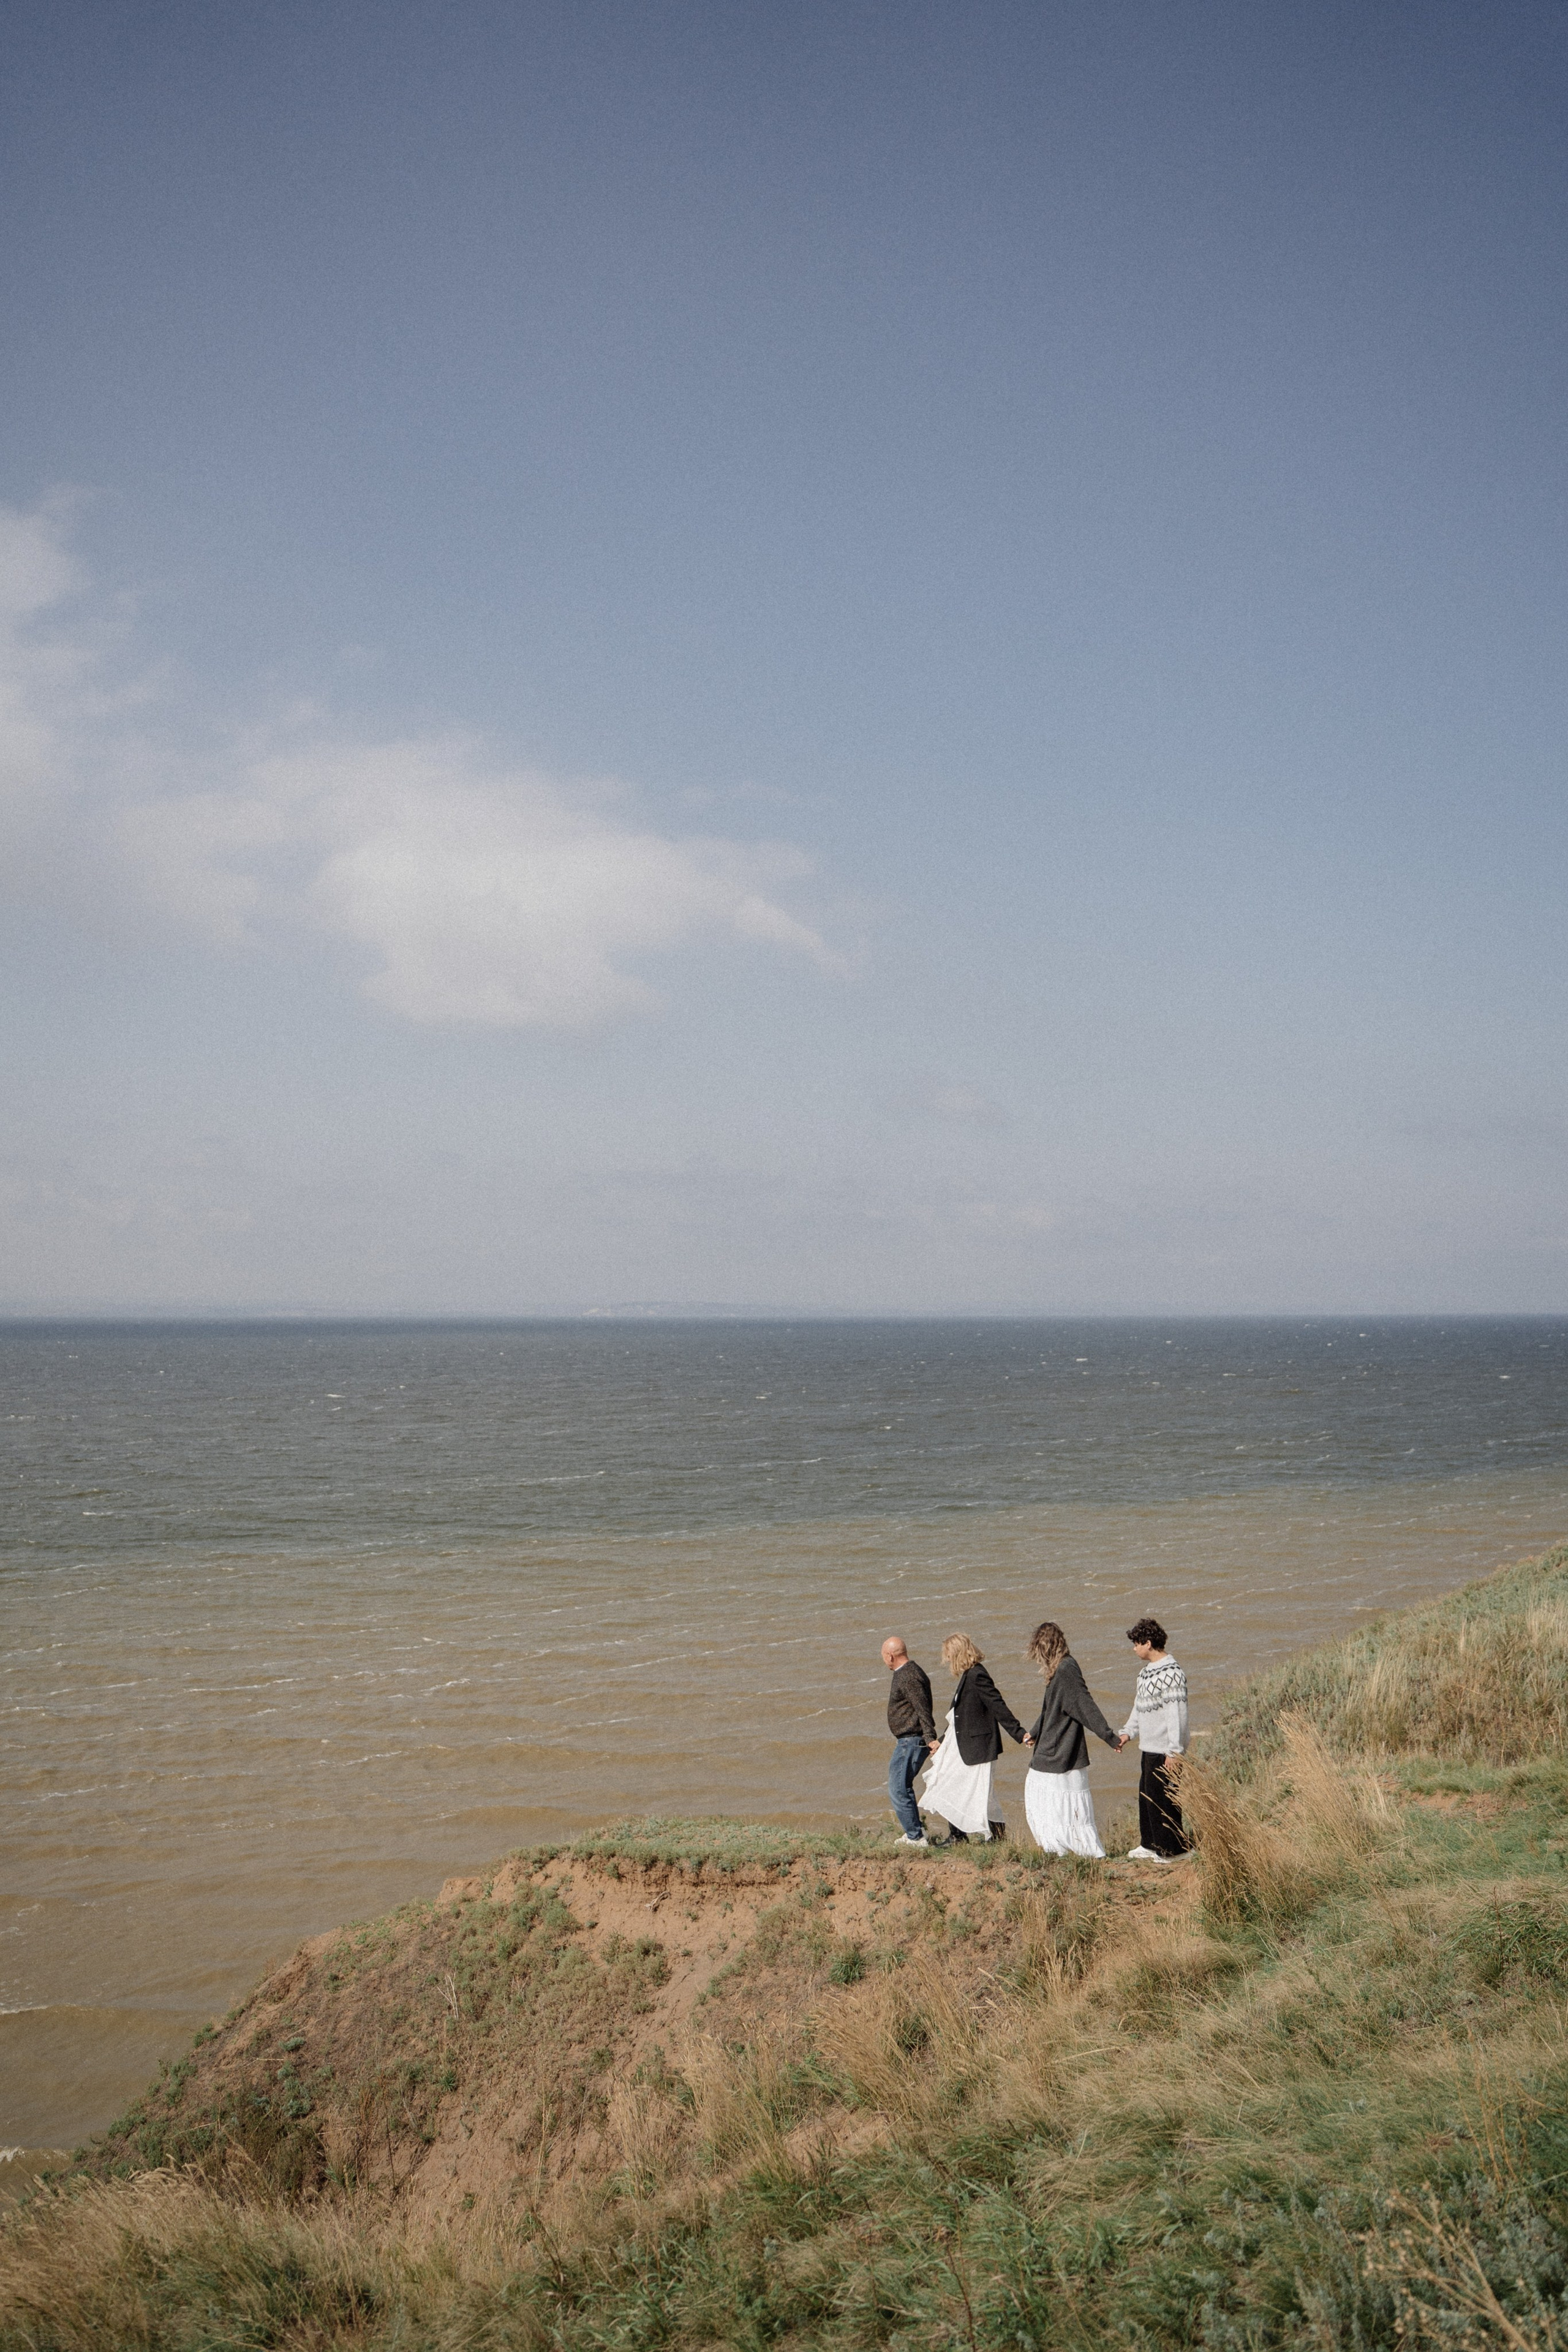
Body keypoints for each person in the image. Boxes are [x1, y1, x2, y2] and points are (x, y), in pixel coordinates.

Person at [1020, 1620, 1124, 1858]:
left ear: (1046, 1648)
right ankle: (1058, 1848)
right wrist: (1034, 1732)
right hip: (1051, 1743)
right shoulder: (1058, 1670)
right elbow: (1049, 1709)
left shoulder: (1067, 1669)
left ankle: (1074, 1849)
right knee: (1045, 1797)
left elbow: (1084, 1704)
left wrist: (1108, 1737)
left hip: (1060, 1747)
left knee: (1058, 1798)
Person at [920, 1634, 1026, 1842]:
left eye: (949, 1655)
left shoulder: (977, 1675)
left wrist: (1020, 1733)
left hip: (978, 1747)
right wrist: (941, 1740)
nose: (948, 1660)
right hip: (967, 1744)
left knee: (982, 1795)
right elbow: (958, 1717)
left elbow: (997, 1705)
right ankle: (963, 1837)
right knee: (955, 1786)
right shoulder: (968, 1676)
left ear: (958, 1653)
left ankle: (990, 1838)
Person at [1121, 1616, 1189, 1861]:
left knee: (1165, 1802)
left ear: (1148, 1643)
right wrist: (1128, 1731)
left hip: (1165, 1751)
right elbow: (1139, 1707)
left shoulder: (1172, 1672)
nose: (1134, 1648)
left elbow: (1177, 1715)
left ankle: (1174, 1851)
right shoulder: (1145, 1674)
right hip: (1148, 1748)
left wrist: (1175, 1752)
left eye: (1137, 1643)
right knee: (1147, 1798)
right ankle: (1149, 1845)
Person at [881, 1635, 940, 1849]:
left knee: (898, 1788)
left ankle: (916, 1837)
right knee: (902, 1786)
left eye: (884, 1657)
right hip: (911, 1739)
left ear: (890, 1656)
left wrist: (930, 1738)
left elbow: (922, 1708)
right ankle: (916, 1832)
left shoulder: (907, 1675)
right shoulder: (910, 1672)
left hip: (912, 1740)